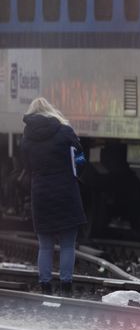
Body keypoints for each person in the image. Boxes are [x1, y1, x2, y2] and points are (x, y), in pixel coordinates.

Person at [19, 97, 87, 296]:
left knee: (45, 246)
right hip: (66, 192)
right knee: (67, 244)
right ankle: (66, 287)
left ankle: (45, 287)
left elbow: (26, 167)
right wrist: (75, 175)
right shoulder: (65, 131)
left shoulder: (27, 138)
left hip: (41, 194)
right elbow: (80, 159)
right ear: (50, 111)